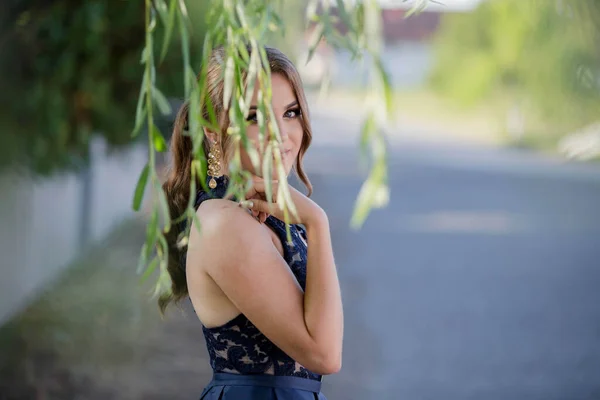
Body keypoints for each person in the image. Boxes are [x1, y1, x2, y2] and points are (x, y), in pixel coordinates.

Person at [160, 45, 344, 400]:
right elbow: (324, 354)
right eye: (256, 117)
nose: (281, 134)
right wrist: (317, 223)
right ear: (213, 130)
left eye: (290, 113)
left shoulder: (255, 213)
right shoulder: (223, 224)